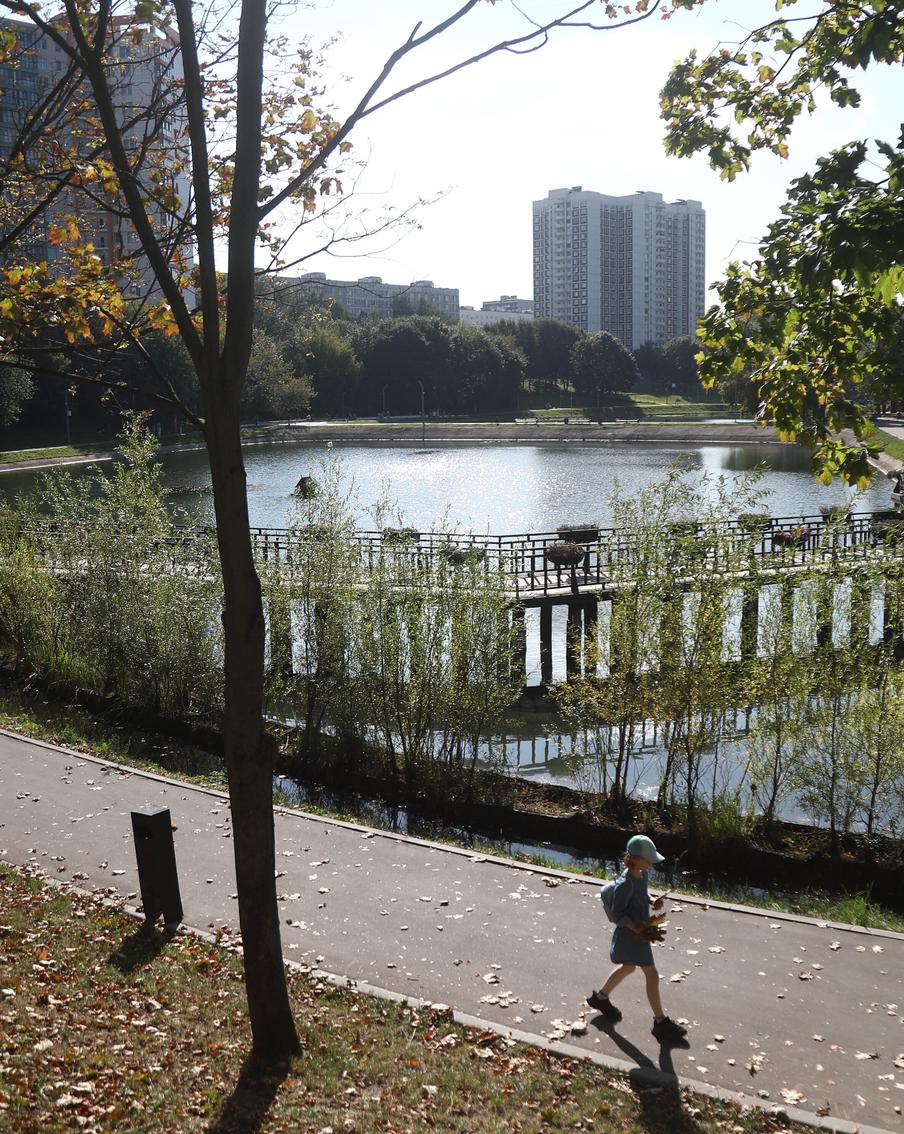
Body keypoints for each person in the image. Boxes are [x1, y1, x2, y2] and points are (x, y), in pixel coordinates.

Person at [586, 834, 688, 1043]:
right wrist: (638, 928)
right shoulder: (625, 883)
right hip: (632, 936)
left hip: (639, 933)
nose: (651, 862)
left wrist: (652, 900)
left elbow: (641, 895)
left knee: (629, 968)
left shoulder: (640, 874)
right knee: (652, 975)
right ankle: (660, 1023)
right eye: (648, 858)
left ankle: (600, 998)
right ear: (635, 858)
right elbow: (617, 914)